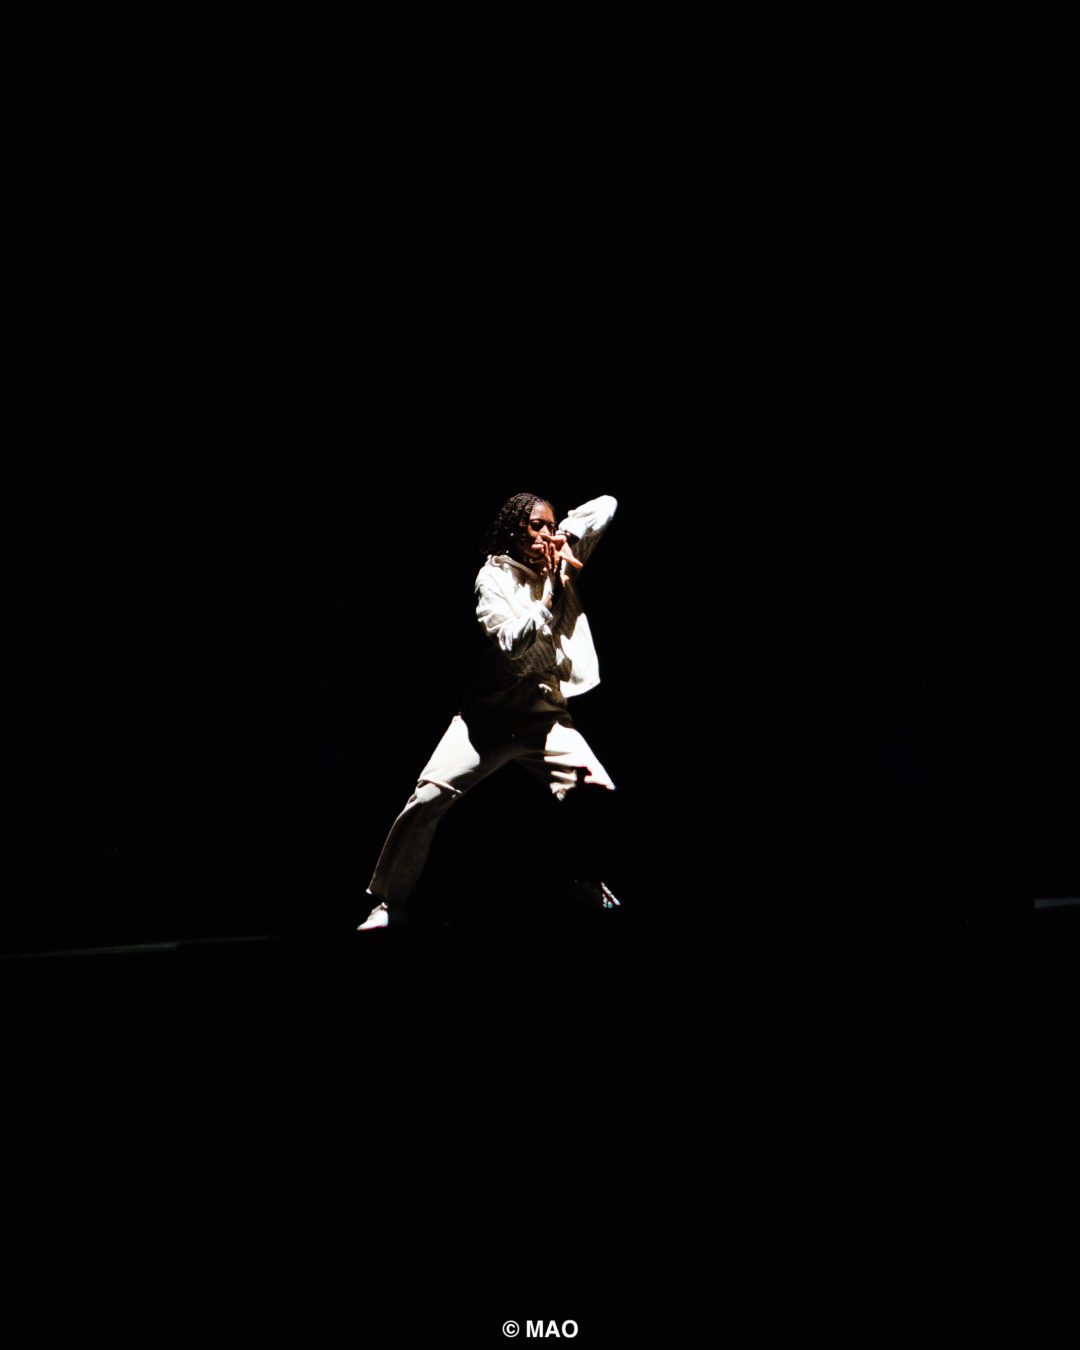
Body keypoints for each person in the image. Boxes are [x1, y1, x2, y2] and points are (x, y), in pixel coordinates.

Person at [357, 491, 620, 929]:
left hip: (545, 714)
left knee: (598, 791)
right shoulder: (492, 577)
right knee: (427, 798)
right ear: (515, 531)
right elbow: (513, 645)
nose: (546, 534)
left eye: (551, 525)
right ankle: (388, 903)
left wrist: (568, 534)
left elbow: (607, 504)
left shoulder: (560, 554)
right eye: (537, 526)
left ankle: (587, 882)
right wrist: (551, 594)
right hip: (489, 717)